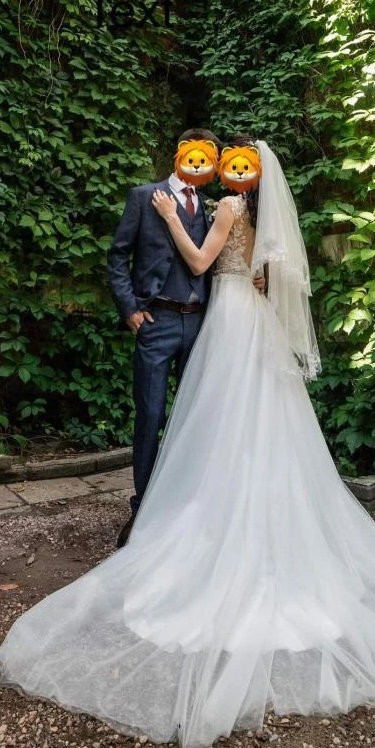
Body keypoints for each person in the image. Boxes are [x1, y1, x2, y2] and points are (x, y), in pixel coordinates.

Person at [0, 137, 375, 748]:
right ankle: (195, 511)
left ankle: (201, 521)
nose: (225, 169)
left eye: (237, 164)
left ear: (245, 173)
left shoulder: (228, 208)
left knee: (216, 421)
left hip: (225, 321)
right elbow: (248, 273)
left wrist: (172, 219)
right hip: (244, 321)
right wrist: (145, 297)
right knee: (237, 423)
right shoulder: (258, 214)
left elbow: (202, 263)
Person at [106, 128, 264, 548]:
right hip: (156, 322)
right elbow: (118, 256)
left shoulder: (218, 206)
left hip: (203, 325)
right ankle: (142, 511)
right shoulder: (145, 197)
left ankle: (187, 507)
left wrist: (257, 277)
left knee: (199, 418)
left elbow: (223, 256)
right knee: (151, 415)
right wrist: (130, 309)